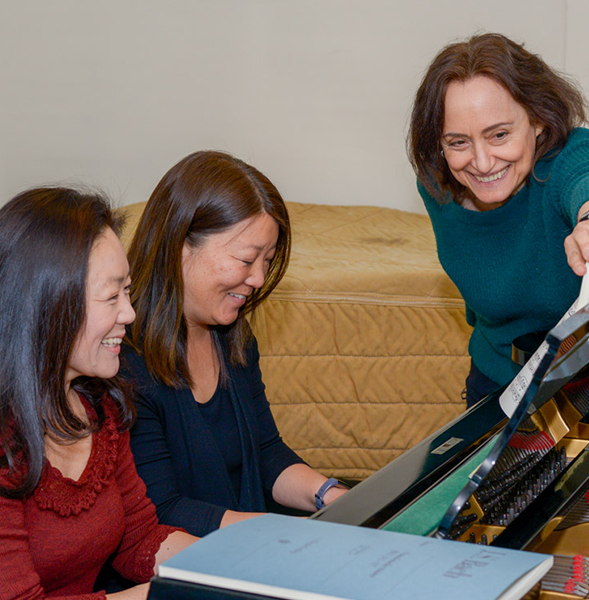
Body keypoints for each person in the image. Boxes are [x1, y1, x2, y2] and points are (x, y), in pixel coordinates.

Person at [122, 150, 347, 538]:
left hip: (239, 544)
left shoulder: (232, 339)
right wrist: (286, 532)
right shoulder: (125, 362)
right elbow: (162, 511)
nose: (259, 278)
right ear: (180, 245)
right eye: (246, 260)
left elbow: (265, 451)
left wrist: (330, 495)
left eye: (268, 260)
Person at [0, 187, 197, 600]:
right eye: (112, 296)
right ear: (49, 307)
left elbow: (138, 537)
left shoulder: (98, 406)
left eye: (127, 291)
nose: (130, 313)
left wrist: (232, 565)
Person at [408, 32, 589, 407]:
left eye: (499, 135)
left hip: (587, 389)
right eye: (458, 142)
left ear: (539, 121)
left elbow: (588, 173)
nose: (482, 162)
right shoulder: (436, 187)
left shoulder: (565, 159)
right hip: (494, 384)